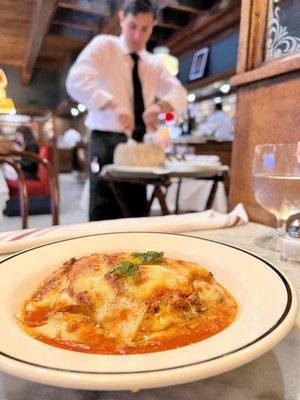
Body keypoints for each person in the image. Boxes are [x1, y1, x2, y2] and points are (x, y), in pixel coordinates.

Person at [66, 0, 187, 221]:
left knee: (135, 208)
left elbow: (179, 94)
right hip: (105, 142)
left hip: (138, 143)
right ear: (122, 19)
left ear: (153, 26)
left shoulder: (154, 63)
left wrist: (159, 107)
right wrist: (113, 104)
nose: (138, 37)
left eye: (145, 29)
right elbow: (75, 81)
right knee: (104, 207)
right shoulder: (105, 46)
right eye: (133, 26)